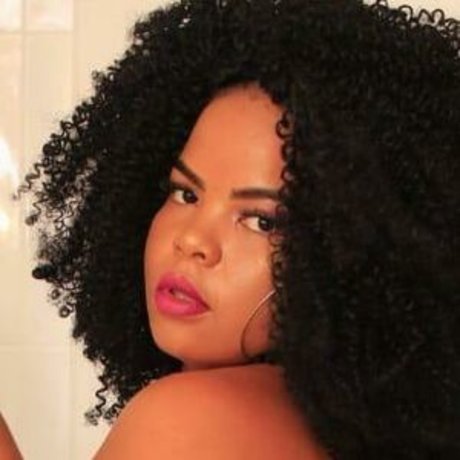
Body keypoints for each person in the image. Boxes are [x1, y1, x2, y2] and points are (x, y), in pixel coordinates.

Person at [14, 0, 460, 458]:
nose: (192, 240)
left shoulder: (187, 417)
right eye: (185, 193)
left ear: (351, 256)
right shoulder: (321, 429)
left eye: (261, 221)